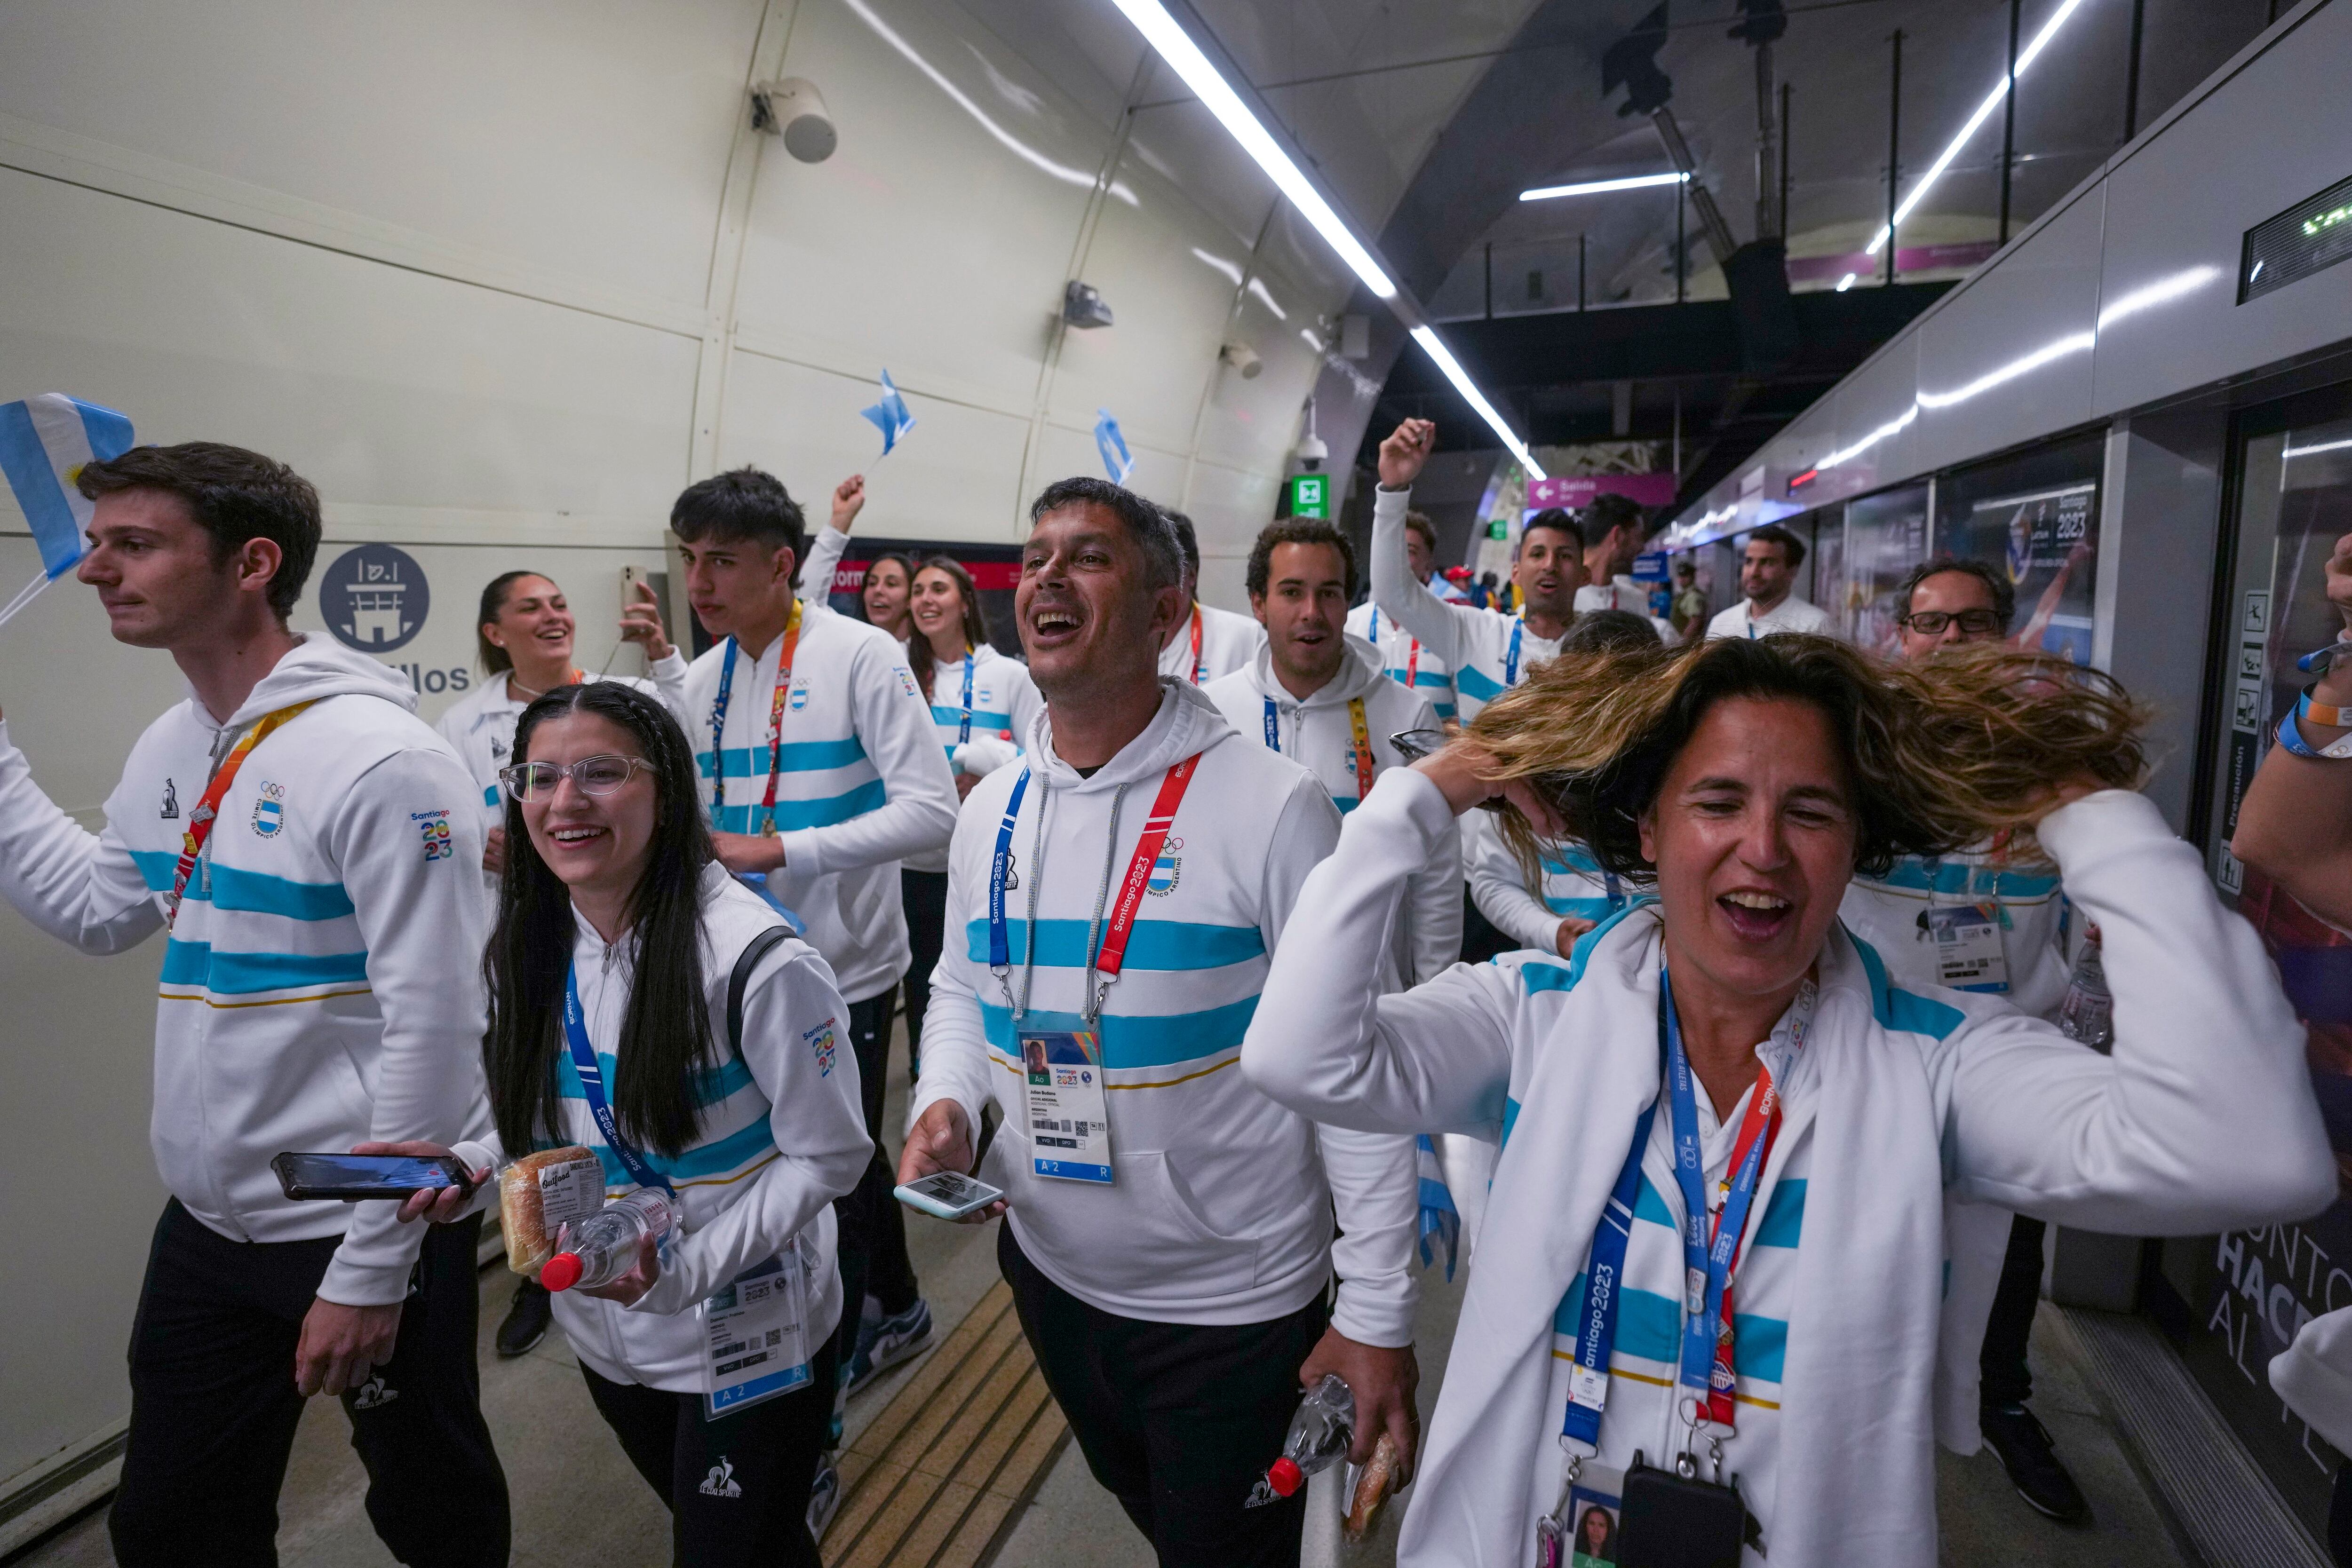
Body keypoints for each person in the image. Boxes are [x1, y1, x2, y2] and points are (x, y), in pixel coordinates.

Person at [1241, 633, 2332, 1566]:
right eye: (1717, 801)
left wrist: (2089, 814)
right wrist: (1427, 793)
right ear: (1650, 831)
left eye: (1809, 811)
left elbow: (2246, 1151)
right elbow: (1300, 1056)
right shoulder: (1530, 1019)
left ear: (1856, 847)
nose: (1761, 850)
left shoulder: (1935, 1066)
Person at [0, 443, 509, 1563]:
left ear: (252, 563)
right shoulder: (175, 743)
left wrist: (369, 1270)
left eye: (134, 544)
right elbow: (94, 908)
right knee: (170, 1524)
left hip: (353, 1216)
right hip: (209, 1223)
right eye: (98, 543)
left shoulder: (384, 763)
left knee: (433, 1501)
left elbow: (437, 1028)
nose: (95, 569)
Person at [898, 476, 1419, 1568]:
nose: (1048, 576)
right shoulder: (992, 810)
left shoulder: (1273, 807)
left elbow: (1355, 1071)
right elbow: (955, 984)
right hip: (1047, 1275)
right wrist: (946, 1096)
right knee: (1157, 1512)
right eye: (1035, 557)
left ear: (1164, 612)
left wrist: (1376, 1309)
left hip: (1229, 1310)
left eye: (1088, 556)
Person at [376, 682, 871, 1566]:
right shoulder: (530, 942)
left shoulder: (757, 960)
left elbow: (831, 1154)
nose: (564, 801)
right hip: (605, 1322)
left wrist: (683, 1273)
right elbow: (550, 1115)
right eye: (540, 777)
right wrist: (472, 1163)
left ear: (666, 791)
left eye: (601, 772)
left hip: (745, 1328)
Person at [668, 466, 958, 1515]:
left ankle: (819, 1427)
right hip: (735, 975)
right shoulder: (700, 683)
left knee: (827, 1176)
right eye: (690, 559)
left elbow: (933, 812)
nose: (699, 582)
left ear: (783, 565)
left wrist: (783, 848)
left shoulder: (860, 655)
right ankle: (899, 1303)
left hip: (845, 969)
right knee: (811, 1169)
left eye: (722, 561)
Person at [1833, 555, 2087, 1521]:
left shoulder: (2044, 756)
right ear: (1901, 635)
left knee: (2006, 1248)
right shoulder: (1858, 744)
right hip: (1871, 1045)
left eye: (1971, 623)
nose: (1948, 641)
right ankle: (1847, 1415)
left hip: (2005, 1047)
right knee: (1860, 1245)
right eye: (1930, 622)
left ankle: (2001, 1402)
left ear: (2005, 636)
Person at [435, 568, 691, 1358]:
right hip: (525, 939)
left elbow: (683, 765)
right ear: (494, 632)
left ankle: (654, 1231)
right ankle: (543, 1269)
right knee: (537, 1106)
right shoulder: (461, 723)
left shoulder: (621, 697)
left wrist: (666, 657)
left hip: (615, 931)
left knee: (621, 1093)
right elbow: (446, 830)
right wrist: (483, 843)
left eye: (558, 603)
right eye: (530, 607)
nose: (552, 615)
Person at [1206, 518, 1460, 989]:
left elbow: (1436, 876)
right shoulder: (1214, 715)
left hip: (1369, 988)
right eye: (1291, 592)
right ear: (1258, 604)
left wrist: (1433, 995)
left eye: (1328, 593)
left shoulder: (1407, 716)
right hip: (1244, 989)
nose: (1312, 612)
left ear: (1347, 604)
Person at [1465, 610, 1662, 960]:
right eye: (1587, 697)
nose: (1604, 717)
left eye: (1625, 699)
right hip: (1559, 975)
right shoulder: (1527, 769)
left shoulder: (1678, 765)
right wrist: (1550, 931)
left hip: (1665, 974)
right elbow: (1494, 881)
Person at [1368, 419, 1583, 722]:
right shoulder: (1476, 634)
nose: (1550, 565)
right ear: (1516, 573)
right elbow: (1393, 595)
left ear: (1584, 575)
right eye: (1537, 554)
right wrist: (1392, 490)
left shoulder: (1599, 650)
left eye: (1565, 556)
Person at [1345, 507, 1458, 721]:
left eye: (1409, 550)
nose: (1396, 557)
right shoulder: (1350, 625)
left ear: (1428, 562)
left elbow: (1469, 714)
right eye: (1389, 548)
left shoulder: (1450, 627)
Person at [1157, 509, 1266, 684]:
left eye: (1166, 570)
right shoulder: (1117, 640)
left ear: (1192, 574)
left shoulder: (1246, 637)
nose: (1155, 583)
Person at [1706, 525, 1833, 639]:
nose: (1754, 572)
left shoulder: (1814, 626)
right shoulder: (1721, 623)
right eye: (1749, 561)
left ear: (1792, 571)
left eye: (1767, 563)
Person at [1669, 558, 1708, 642]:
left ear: (1692, 577)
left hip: (1688, 643)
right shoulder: (1683, 594)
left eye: (1685, 576)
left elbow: (1695, 621)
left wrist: (1683, 642)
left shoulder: (1693, 596)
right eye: (1680, 576)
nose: (1682, 579)